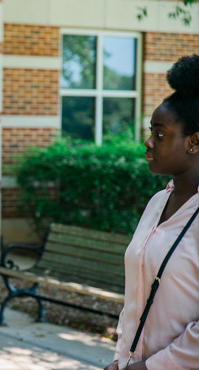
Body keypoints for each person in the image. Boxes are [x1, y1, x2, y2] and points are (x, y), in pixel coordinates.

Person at [105, 54, 199, 370]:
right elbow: (136, 299)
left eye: (160, 134)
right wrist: (121, 360)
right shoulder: (158, 202)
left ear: (194, 142)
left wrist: (150, 368)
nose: (148, 142)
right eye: (151, 131)